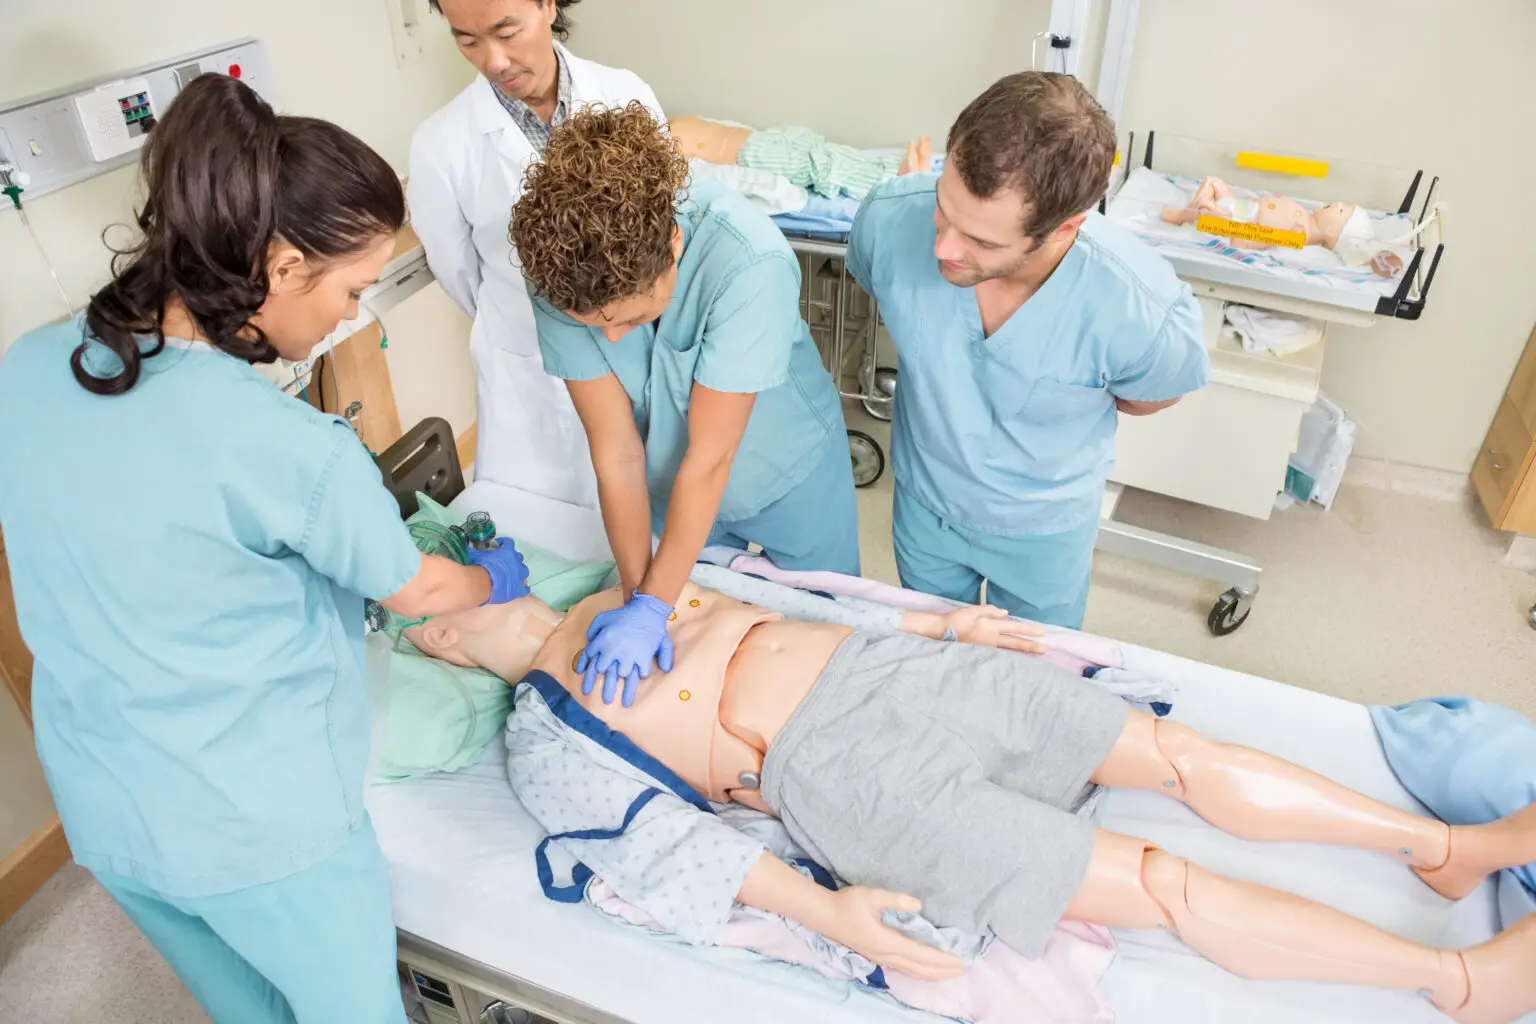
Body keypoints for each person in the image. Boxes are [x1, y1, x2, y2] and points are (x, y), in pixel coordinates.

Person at [0, 76, 531, 1023]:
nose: (355, 317)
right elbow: (414, 589)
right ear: (283, 267)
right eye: (355, 289)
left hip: (106, 804)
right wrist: (489, 576)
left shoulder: (31, 368)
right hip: (258, 831)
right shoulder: (289, 448)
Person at [406, 583, 1536, 1024]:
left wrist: (941, 627)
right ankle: (1457, 983)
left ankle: (1445, 843)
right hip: (846, 774)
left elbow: (775, 601)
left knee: (1178, 755)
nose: (439, 582)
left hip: (900, 669)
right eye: (412, 596)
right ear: (438, 646)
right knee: (1158, 883)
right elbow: (659, 845)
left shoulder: (626, 580)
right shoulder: (541, 736)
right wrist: (822, 908)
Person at [510, 103, 859, 703]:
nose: (613, 340)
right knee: (697, 622)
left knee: (827, 631)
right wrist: (637, 595)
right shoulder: (559, 274)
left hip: (784, 466)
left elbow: (711, 459)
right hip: (668, 475)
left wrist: (653, 604)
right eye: (595, 327)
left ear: (673, 245)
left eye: (633, 318)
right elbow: (616, 452)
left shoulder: (749, 262)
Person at [847, 72, 1211, 630]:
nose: (943, 248)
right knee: (933, 655)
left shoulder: (1139, 308)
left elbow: (1150, 397)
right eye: (945, 209)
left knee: (1038, 669)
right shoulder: (889, 222)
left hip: (1044, 528)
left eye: (984, 242)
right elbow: (887, 281)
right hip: (925, 501)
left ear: (1063, 230)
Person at [408, 0, 662, 509]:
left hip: (633, 353)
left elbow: (660, 228)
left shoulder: (624, 94)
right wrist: (526, 323)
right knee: (544, 535)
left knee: (646, 518)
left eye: (506, 31)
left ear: (548, 6)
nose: (494, 61)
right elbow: (458, 273)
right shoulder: (440, 144)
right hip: (528, 373)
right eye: (468, 40)